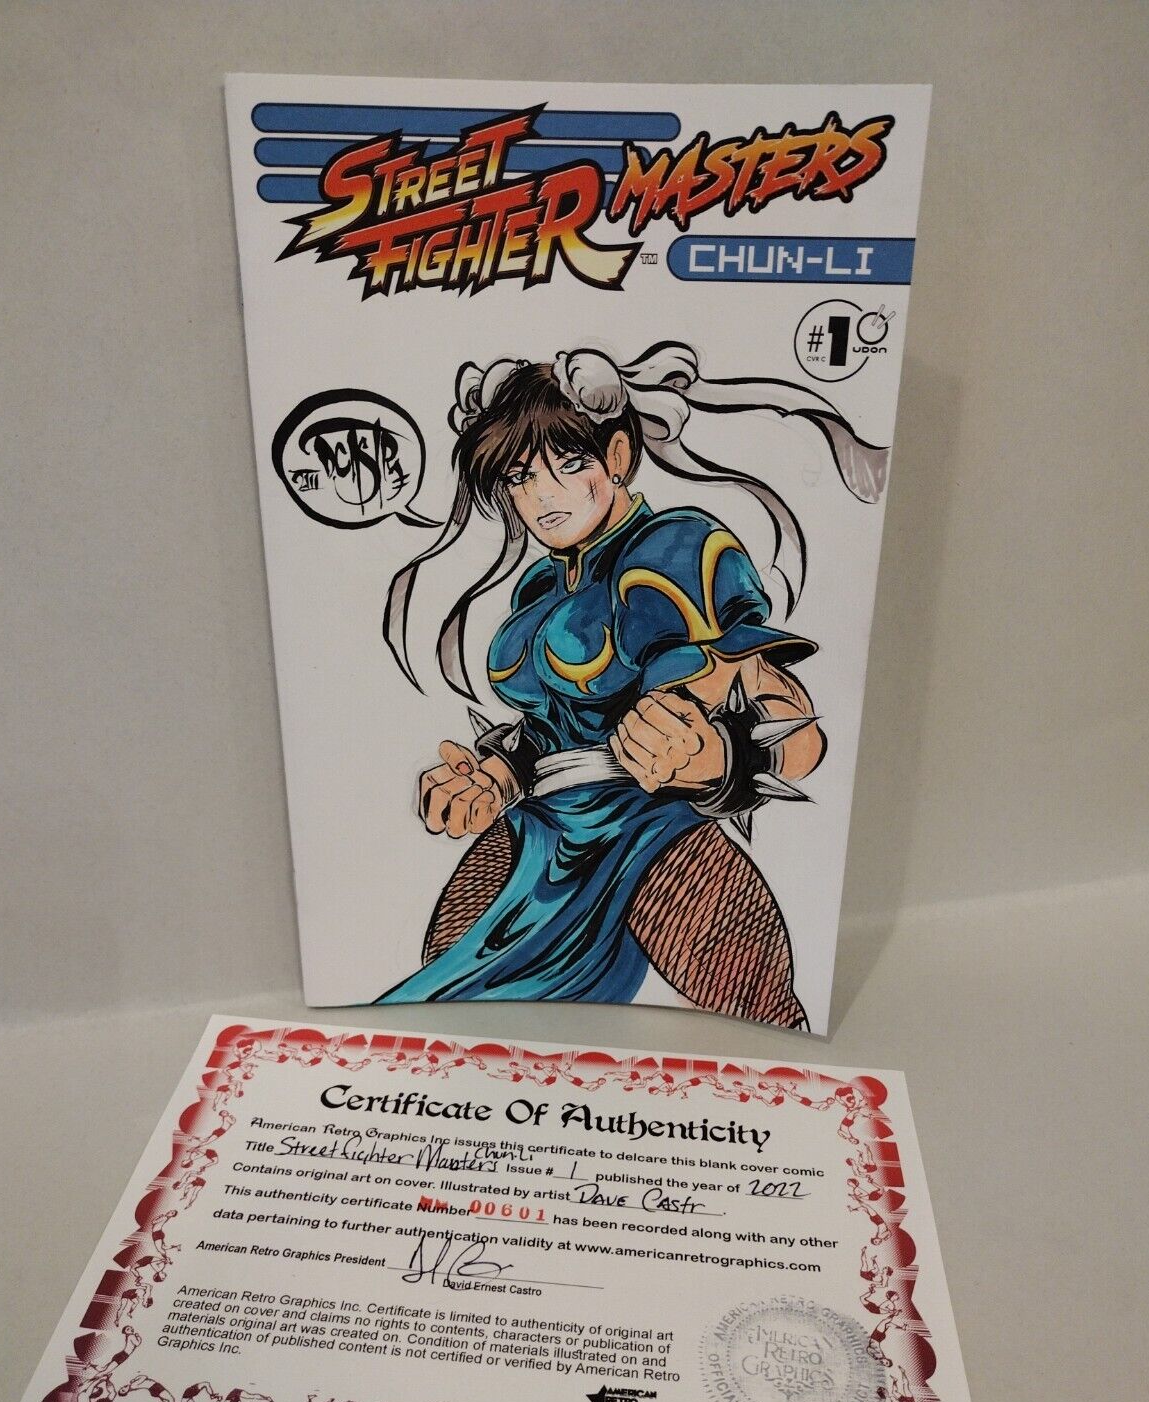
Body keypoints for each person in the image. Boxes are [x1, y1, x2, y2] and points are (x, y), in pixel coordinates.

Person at [379, 343, 886, 1026]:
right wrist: (493, 778)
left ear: (616, 455)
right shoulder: (539, 585)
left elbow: (795, 725)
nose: (541, 496)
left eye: (567, 464)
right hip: (541, 835)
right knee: (444, 995)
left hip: (655, 831)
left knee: (761, 1019)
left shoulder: (680, 547)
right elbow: (545, 733)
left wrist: (722, 757)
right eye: (520, 477)